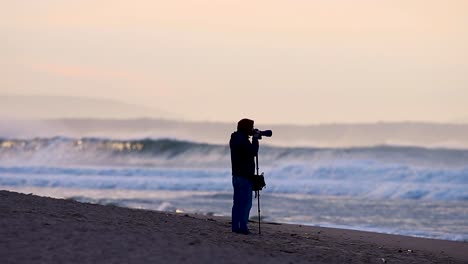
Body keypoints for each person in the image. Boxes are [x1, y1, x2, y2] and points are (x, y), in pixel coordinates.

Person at [229, 118, 259, 234]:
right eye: (251, 127)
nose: (252, 129)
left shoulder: (235, 138)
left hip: (236, 175)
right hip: (245, 176)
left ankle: (235, 227)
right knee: (246, 203)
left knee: (237, 203)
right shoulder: (243, 140)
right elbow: (253, 152)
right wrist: (255, 139)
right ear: (246, 128)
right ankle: (243, 227)